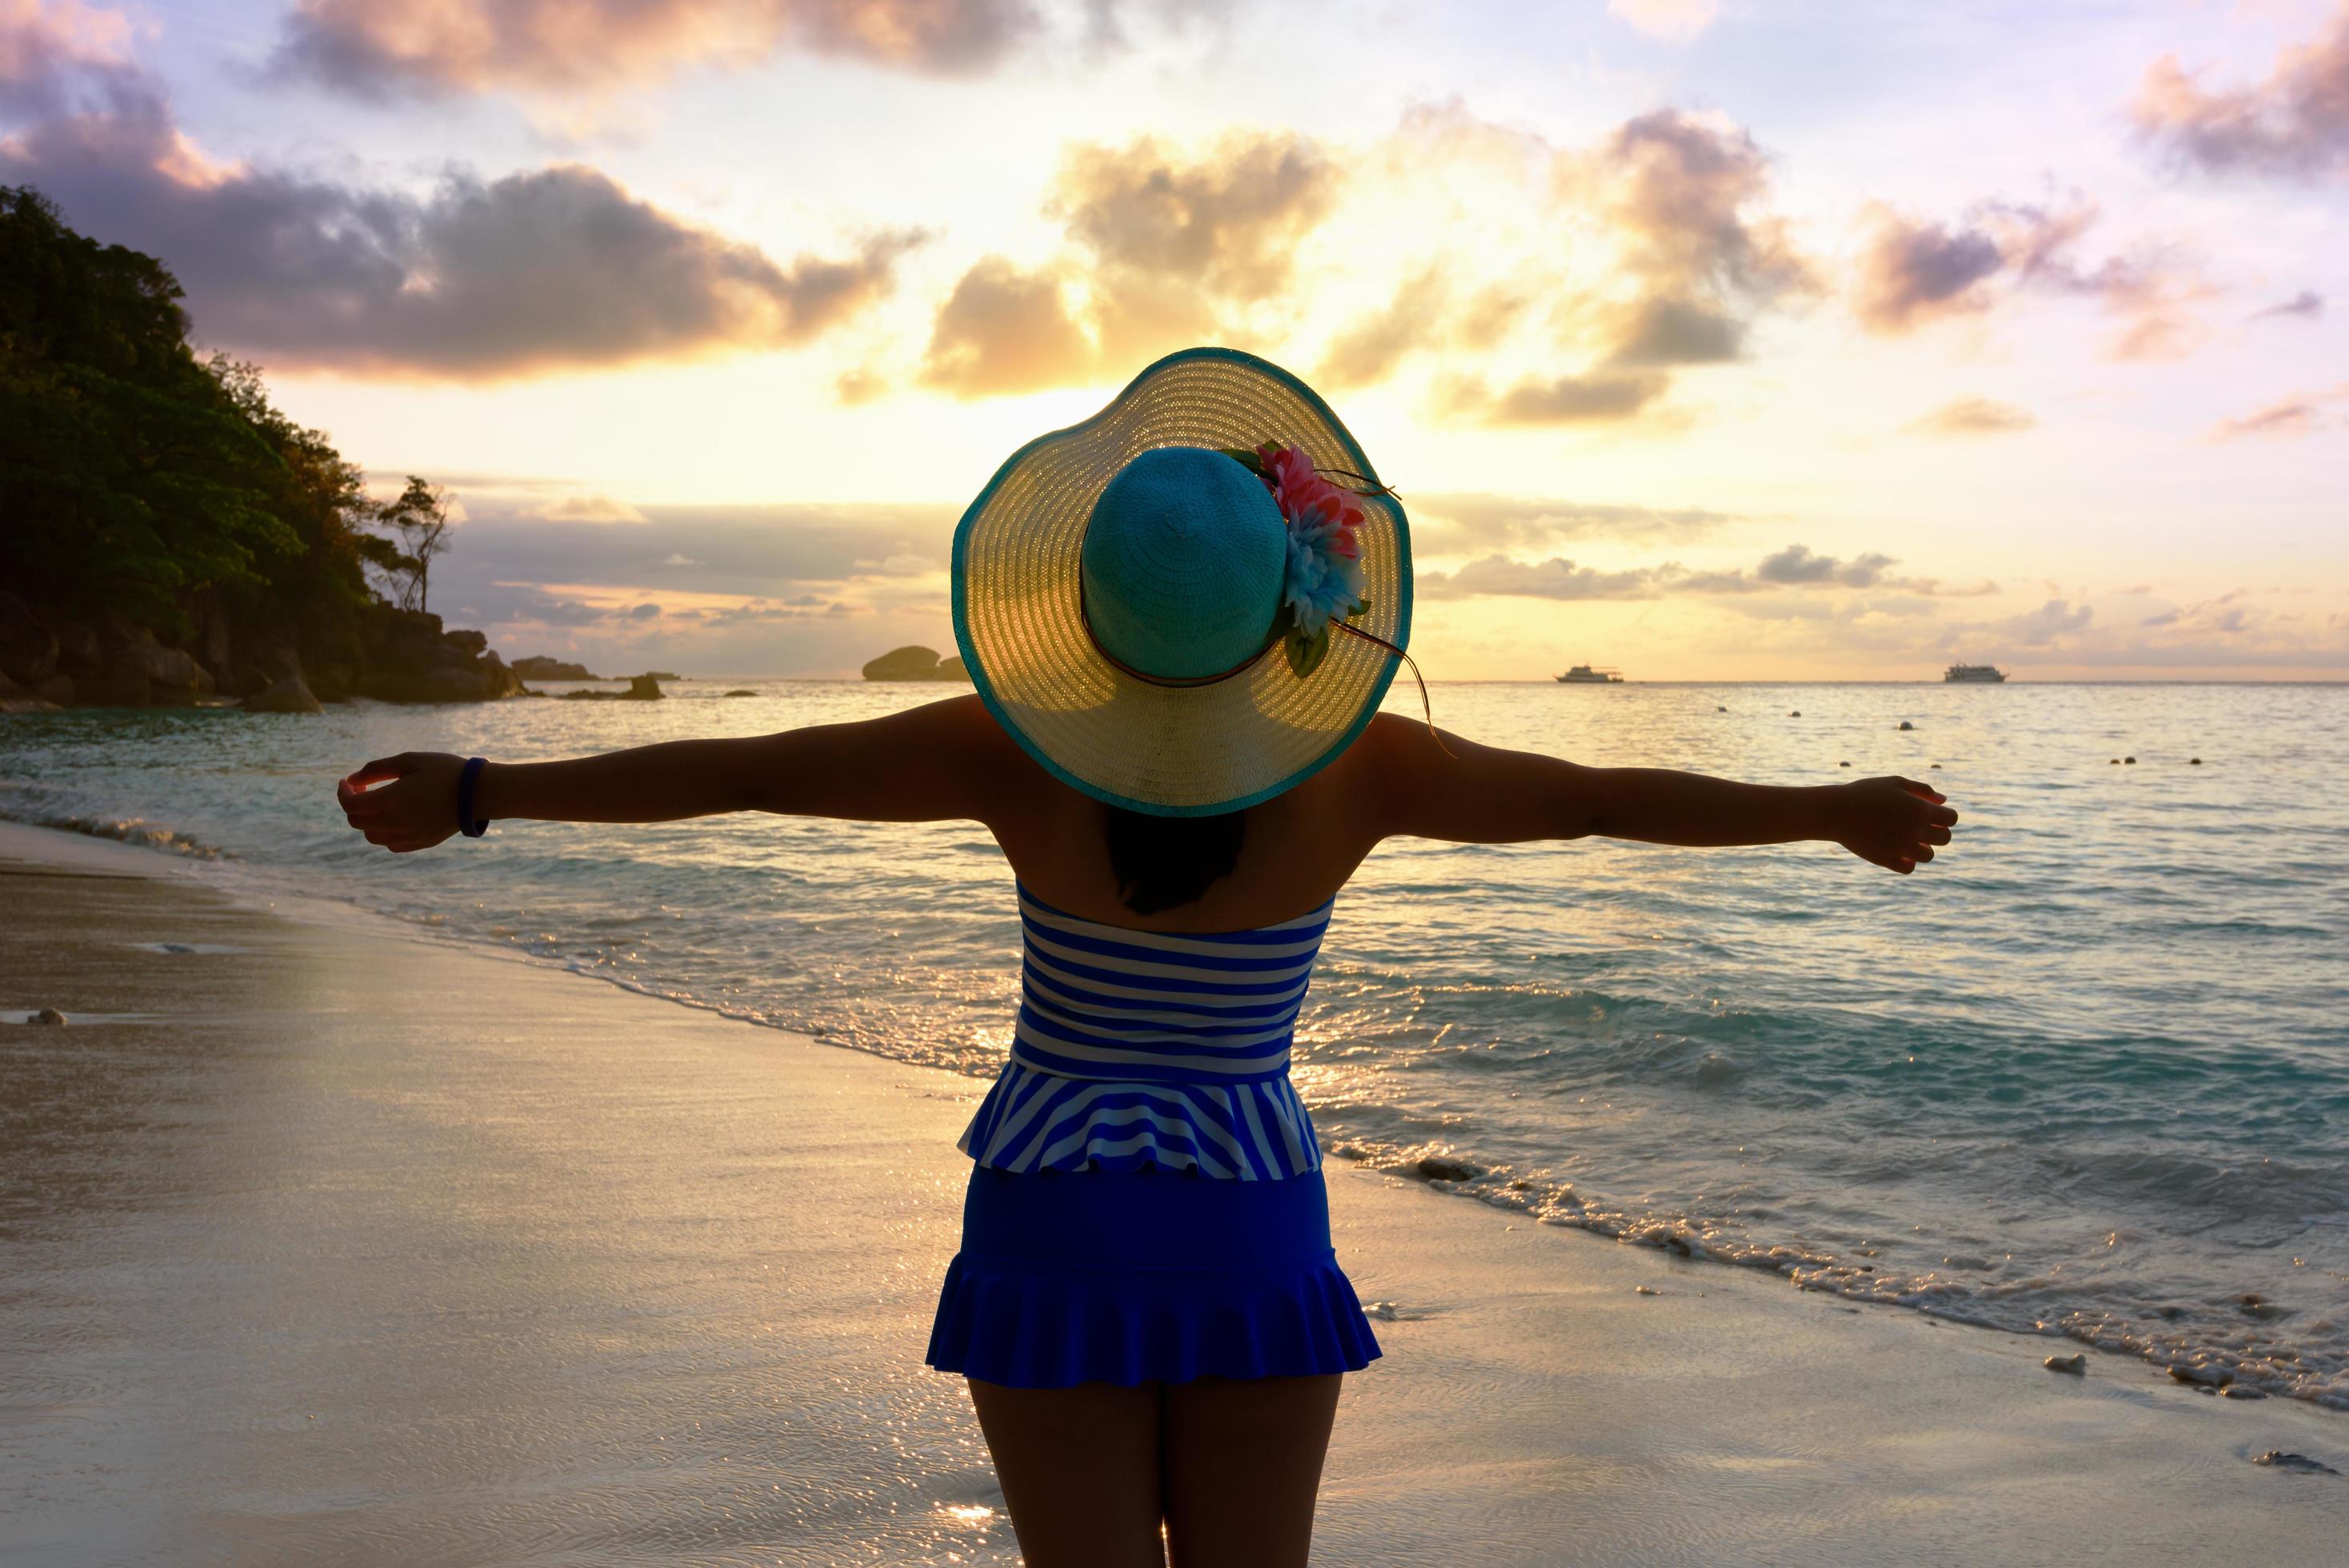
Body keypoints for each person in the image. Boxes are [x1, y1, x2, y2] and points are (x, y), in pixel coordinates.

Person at [336, 347, 1958, 1567]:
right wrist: (1825, 805)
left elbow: (741, 767)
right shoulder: (1366, 768)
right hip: (1246, 1210)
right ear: (1287, 607)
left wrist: (483, 791)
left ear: (1083, 608)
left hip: (1051, 1200)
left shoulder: (1002, 752)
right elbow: (1603, 802)